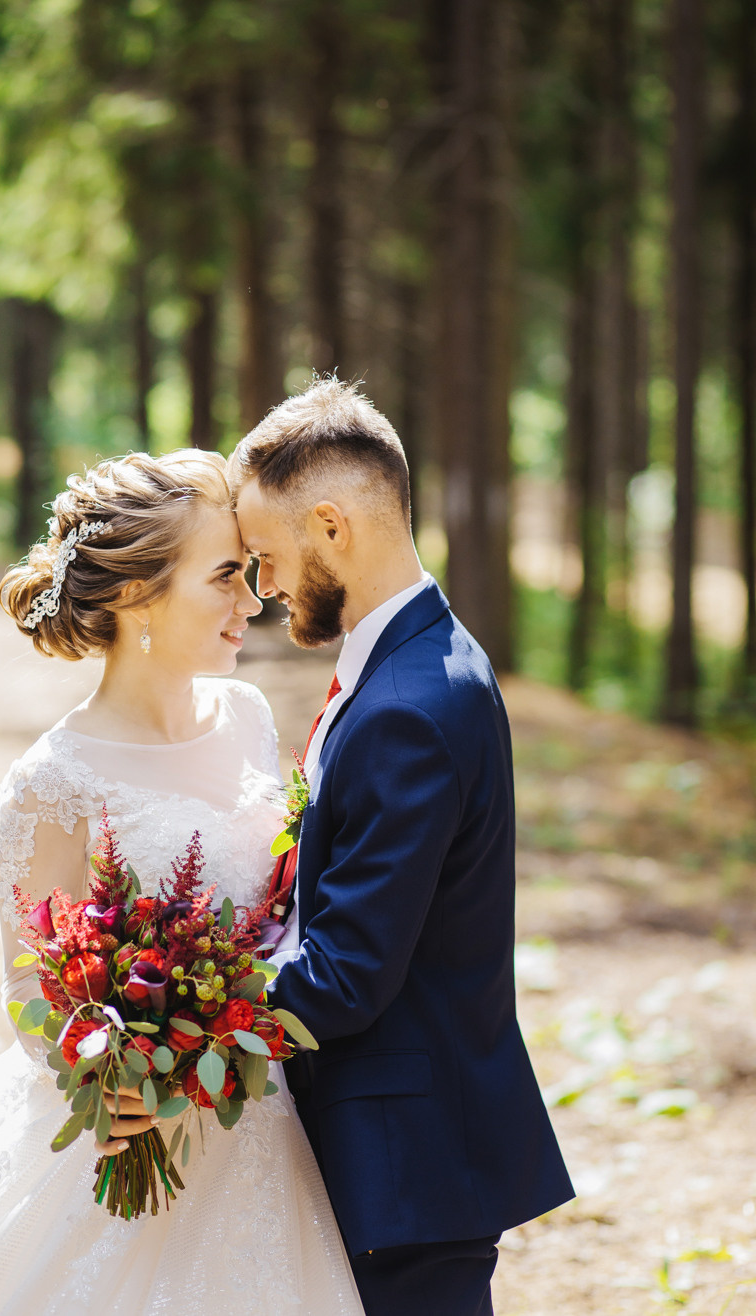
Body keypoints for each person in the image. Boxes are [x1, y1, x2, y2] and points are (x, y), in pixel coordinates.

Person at [0, 449, 362, 1316]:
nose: (251, 602)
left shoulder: (245, 717)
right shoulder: (55, 781)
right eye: (225, 577)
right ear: (137, 598)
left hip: (252, 1113)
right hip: (123, 1125)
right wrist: (123, 1080)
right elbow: (29, 983)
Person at [230, 378, 574, 1316]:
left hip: (402, 1165)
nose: (264, 591)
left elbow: (346, 976)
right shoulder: (421, 658)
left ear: (332, 527)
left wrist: (176, 1018)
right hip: (408, 1150)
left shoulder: (408, 708)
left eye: (267, 558)